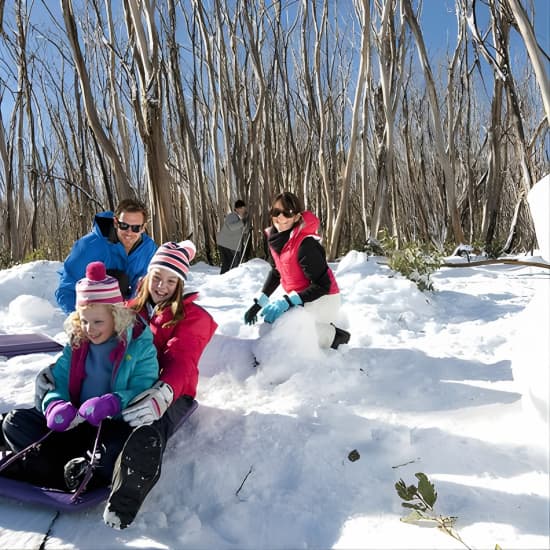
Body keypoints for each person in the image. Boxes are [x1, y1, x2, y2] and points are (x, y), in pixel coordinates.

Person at [0, 262, 159, 494]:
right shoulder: (77, 344)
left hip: (110, 428)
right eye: (84, 321)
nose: (89, 329)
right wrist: (55, 404)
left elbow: (144, 385)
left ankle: (60, 471)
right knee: (15, 422)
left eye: (98, 322)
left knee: (115, 452)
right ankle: (65, 471)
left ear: (117, 317)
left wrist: (113, 402)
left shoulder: (139, 345)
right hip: (73, 425)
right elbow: (59, 379)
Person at [103, 240, 217, 529]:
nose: (162, 286)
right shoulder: (130, 310)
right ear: (147, 277)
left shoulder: (193, 317)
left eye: (170, 280)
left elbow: (183, 358)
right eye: (157, 277)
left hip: (174, 393)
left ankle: (126, 498)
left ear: (180, 284)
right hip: (131, 385)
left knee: (150, 427)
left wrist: (164, 391)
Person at [243, 191, 350, 349]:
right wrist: (260, 303)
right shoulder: (276, 239)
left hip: (324, 299)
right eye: (276, 212)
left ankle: (334, 336)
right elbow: (276, 272)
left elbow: (323, 285)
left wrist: (288, 301)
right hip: (301, 298)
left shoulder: (305, 245)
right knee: (274, 325)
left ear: (297, 217)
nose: (280, 217)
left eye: (287, 213)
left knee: (289, 331)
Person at [55, 198, 158, 314]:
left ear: (143, 227)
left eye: (136, 228)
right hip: (91, 309)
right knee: (117, 279)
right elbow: (66, 289)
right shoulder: (90, 246)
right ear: (115, 222)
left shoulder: (149, 249)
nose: (129, 232)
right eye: (124, 225)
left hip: (123, 309)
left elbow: (142, 289)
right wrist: (80, 319)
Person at [216, 199, 249, 274]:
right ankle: (228, 280)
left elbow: (243, 231)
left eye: (244, 209)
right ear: (237, 209)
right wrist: (243, 222)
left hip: (231, 245)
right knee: (231, 264)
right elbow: (232, 227)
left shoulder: (239, 219)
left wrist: (247, 226)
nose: (244, 211)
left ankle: (227, 280)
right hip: (227, 244)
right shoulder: (232, 216)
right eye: (242, 209)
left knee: (230, 264)